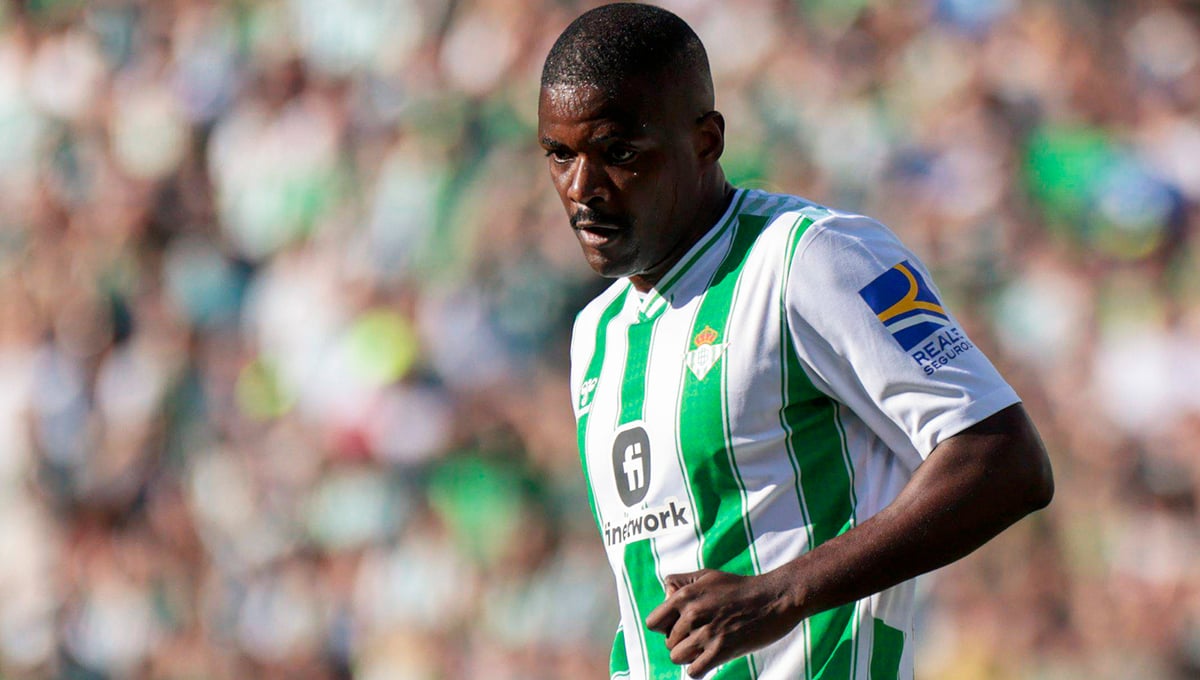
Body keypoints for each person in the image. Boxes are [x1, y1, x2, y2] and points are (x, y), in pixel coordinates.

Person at [538, 4, 1054, 679]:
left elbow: (1005, 459)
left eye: (619, 153)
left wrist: (783, 593)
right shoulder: (596, 333)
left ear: (705, 141)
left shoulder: (812, 258)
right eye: (560, 155)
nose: (582, 188)